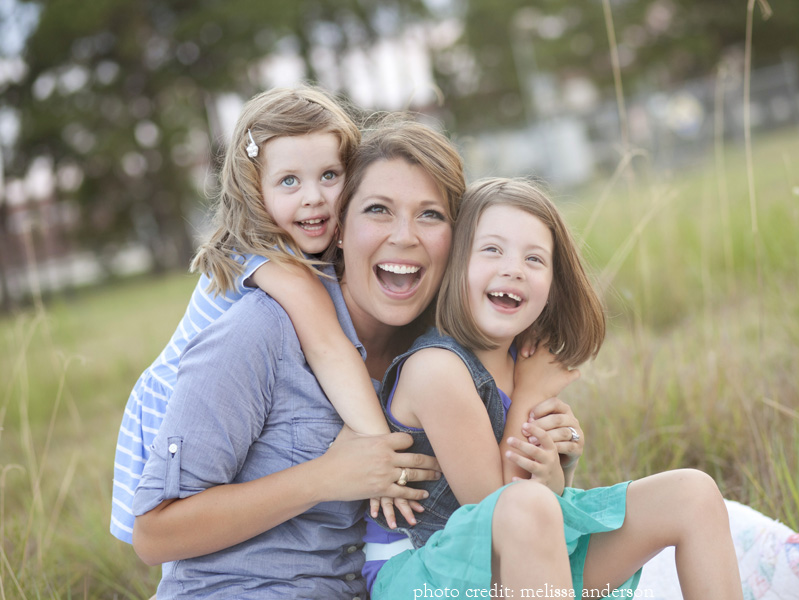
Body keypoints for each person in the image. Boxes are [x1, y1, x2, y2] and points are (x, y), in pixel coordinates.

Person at [130, 117, 467, 598]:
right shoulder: (260, 331)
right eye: (377, 210)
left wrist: (550, 461)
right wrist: (323, 479)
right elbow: (154, 534)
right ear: (343, 227)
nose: (405, 236)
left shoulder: (436, 355)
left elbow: (487, 512)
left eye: (431, 215)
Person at [364, 178, 743, 599]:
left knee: (692, 494)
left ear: (552, 286)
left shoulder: (519, 363)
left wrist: (557, 472)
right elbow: (497, 506)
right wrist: (527, 396)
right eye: (492, 249)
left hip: (512, 557)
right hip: (424, 576)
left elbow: (537, 501)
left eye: (535, 259)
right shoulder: (436, 369)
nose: (514, 268)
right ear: (455, 265)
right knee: (528, 508)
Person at [111, 86, 408, 544]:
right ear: (254, 190)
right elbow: (329, 348)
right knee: (194, 522)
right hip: (180, 407)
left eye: (330, 175)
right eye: (289, 181)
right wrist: (382, 453)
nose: (314, 198)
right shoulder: (269, 258)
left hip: (229, 403)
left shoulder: (308, 248)